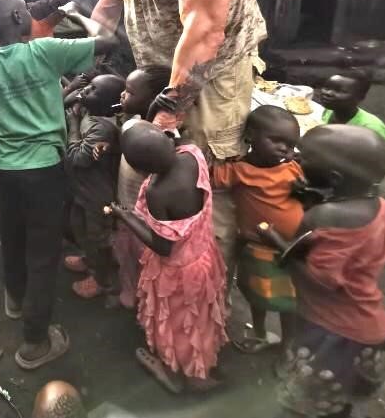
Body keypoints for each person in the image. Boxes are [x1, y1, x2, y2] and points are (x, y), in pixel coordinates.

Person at [76, 0, 268, 289]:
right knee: (138, 179)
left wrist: (166, 118)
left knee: (197, 190)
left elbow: (206, 31)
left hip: (207, 80)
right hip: (154, 77)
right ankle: (142, 283)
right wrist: (88, 47)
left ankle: (199, 296)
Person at [0, 0, 115, 370]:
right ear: (16, 19)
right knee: (44, 253)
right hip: (44, 168)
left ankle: (15, 301)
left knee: (12, 237)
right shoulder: (46, 51)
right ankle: (35, 342)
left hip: (6, 168)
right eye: (24, 9)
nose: (30, 12)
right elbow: (108, 41)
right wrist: (77, 15)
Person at [259, 125, 385, 418]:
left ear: (334, 179)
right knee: (340, 401)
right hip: (368, 326)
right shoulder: (382, 207)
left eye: (303, 158)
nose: (294, 157)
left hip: (333, 334)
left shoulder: (324, 217)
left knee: (306, 407)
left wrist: (282, 248)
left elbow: (322, 278)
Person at [109, 122, 228, 394]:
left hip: (177, 271)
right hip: (204, 255)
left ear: (140, 170)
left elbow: (163, 245)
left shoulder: (157, 192)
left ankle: (177, 371)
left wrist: (125, 216)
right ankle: (202, 364)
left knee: (175, 322)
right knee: (199, 316)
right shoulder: (193, 154)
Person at [212, 105, 303, 353]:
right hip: (256, 248)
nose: (285, 149)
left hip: (289, 249)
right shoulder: (239, 170)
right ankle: (261, 333)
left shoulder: (293, 169)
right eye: (277, 141)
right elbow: (209, 176)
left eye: (291, 144)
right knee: (256, 293)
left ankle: (288, 345)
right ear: (250, 135)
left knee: (289, 302)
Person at [112, 65, 172, 309]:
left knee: (143, 260)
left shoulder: (154, 140)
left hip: (143, 220)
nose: (123, 95)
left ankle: (146, 304)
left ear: (152, 101)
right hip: (125, 208)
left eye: (130, 92)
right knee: (124, 254)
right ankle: (129, 291)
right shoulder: (133, 120)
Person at [64, 74, 125, 301]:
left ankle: (103, 280)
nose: (87, 90)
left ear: (110, 104)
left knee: (97, 239)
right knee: (79, 228)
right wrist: (77, 90)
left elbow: (78, 157)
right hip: (82, 191)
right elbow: (67, 101)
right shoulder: (91, 112)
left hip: (96, 196)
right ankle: (89, 261)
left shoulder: (103, 129)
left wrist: (73, 126)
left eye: (94, 90)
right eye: (89, 86)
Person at [319, 70, 385, 144]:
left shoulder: (372, 128)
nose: (328, 93)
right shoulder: (328, 112)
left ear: (360, 97)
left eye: (340, 91)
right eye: (327, 88)